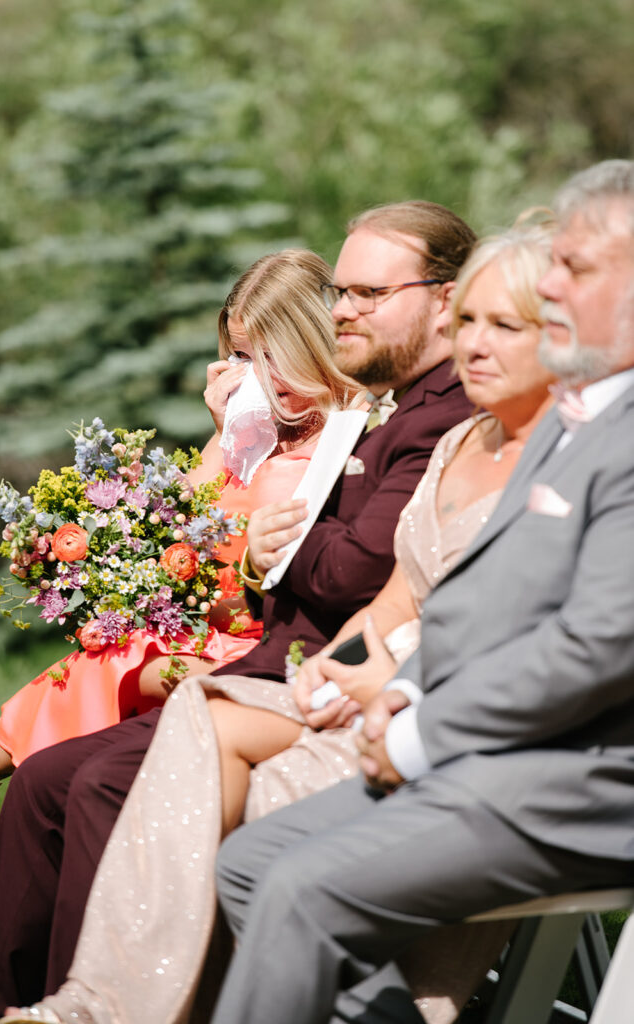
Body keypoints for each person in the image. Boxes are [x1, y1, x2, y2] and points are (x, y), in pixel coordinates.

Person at [0, 218, 556, 1024]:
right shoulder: (457, 436)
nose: (344, 311)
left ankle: (115, 1009)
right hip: (338, 675)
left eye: (504, 323)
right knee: (124, 750)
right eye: (341, 292)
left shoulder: (495, 438)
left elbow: (364, 573)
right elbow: (394, 590)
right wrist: (336, 648)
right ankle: (67, 1005)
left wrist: (382, 680)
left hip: (453, 725)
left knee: (118, 779)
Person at [208, 159, 634, 1024]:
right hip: (495, 741)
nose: (553, 281)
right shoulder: (569, 421)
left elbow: (597, 645)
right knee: (246, 864)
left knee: (295, 888)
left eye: (576, 268)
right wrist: (394, 684)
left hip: (584, 774)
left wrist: (421, 731)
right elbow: (471, 602)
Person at [0, 248, 360, 845]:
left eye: (267, 356)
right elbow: (176, 535)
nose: (249, 374)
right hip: (207, 632)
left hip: (262, 652)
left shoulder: (345, 436)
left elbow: (259, 581)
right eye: (238, 355)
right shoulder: (253, 432)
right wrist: (226, 438)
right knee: (116, 648)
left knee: (121, 657)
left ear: (313, 346)